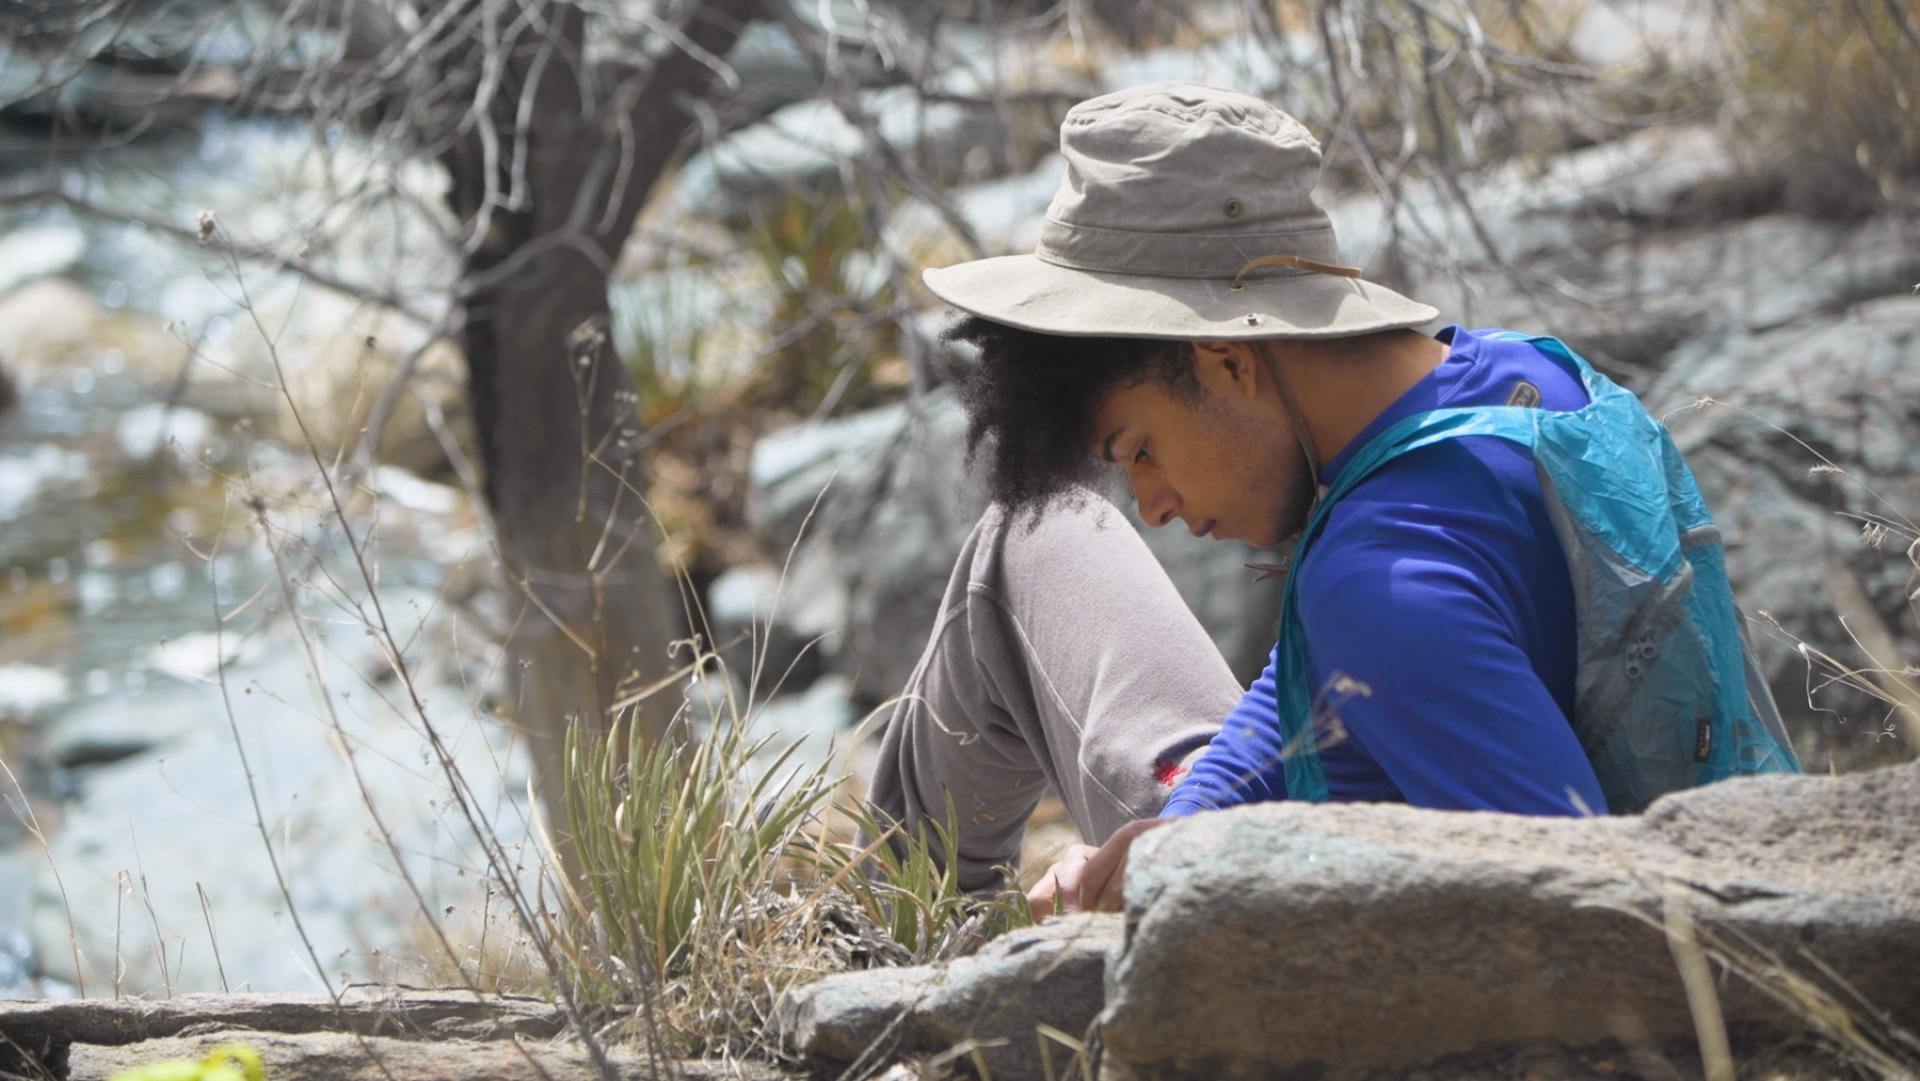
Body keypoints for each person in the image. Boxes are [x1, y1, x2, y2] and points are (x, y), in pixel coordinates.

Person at [865, 82, 1799, 919]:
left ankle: (890, 978)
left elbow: (1579, 920)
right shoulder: (1530, 382)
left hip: (1284, 952)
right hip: (1282, 854)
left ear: (1228, 359)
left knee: (1024, 543)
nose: (1151, 505)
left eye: (1139, 450)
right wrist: (1188, 822)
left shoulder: (1375, 584)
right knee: (1044, 529)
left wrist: (1207, 874)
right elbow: (1337, 676)